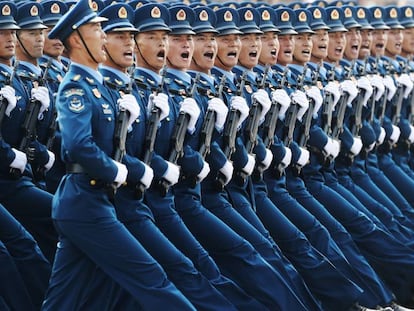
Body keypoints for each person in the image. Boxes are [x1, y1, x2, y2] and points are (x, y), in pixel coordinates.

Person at [42, 0, 196, 309]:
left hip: (91, 202)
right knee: (152, 277)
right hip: (85, 202)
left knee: (68, 298)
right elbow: (78, 146)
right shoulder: (75, 87)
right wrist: (118, 171)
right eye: (96, 29)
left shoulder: (99, 87)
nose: (103, 36)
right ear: (76, 39)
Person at [0, 1, 57, 263]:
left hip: (26, 177)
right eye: (3, 33)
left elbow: (32, 135)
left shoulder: (18, 81)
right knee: (24, 246)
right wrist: (11, 155)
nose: (9, 39)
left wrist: (42, 151)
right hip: (8, 180)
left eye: (12, 32)